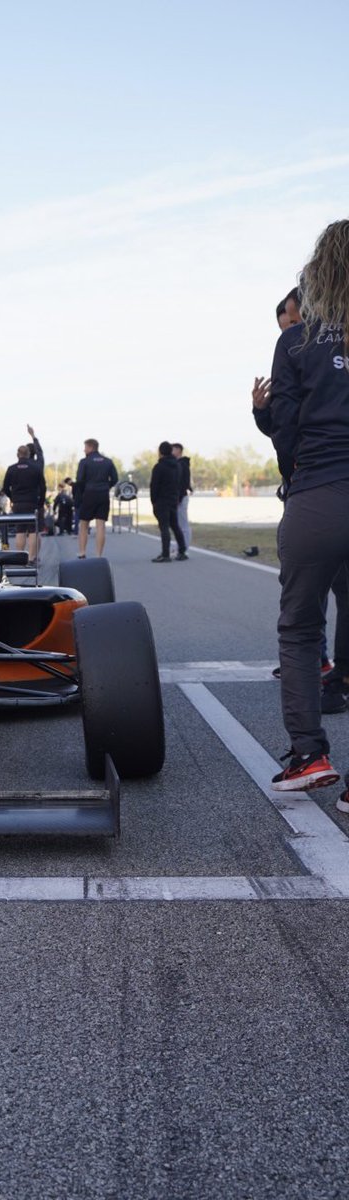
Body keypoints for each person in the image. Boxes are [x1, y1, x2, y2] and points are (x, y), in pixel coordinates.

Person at [266, 220, 349, 797]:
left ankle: (309, 755)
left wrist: (296, 480)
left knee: (299, 628)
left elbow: (284, 427)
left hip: (318, 490)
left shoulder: (295, 340)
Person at [1, 425, 46, 560]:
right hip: (32, 502)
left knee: (20, 530)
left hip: (18, 503)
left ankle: (20, 558)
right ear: (29, 454)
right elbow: (43, 487)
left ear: (18, 454)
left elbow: (5, 487)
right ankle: (32, 558)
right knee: (33, 531)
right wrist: (40, 502)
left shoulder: (12, 469)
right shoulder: (37, 467)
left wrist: (12, 498)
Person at [74, 438, 118, 559]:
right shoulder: (108, 461)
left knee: (83, 524)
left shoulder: (84, 462)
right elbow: (115, 479)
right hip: (103, 494)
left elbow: (79, 480)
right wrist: (106, 486)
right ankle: (98, 555)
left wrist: (81, 494)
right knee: (101, 525)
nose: (84, 450)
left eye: (85, 447)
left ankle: (82, 552)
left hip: (89, 493)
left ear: (90, 447)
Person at [149, 441, 187, 562]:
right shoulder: (177, 466)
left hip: (162, 500)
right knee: (175, 526)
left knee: (164, 527)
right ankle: (182, 550)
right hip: (173, 499)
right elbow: (179, 483)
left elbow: (154, 486)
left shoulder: (159, 467)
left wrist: (153, 500)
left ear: (160, 452)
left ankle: (165, 554)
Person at [171, 442, 193, 548]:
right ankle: (181, 546)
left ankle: (185, 546)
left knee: (183, 524)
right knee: (179, 524)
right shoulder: (178, 464)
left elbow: (183, 482)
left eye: (173, 450)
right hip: (179, 496)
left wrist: (179, 498)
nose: (171, 452)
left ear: (178, 450)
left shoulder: (182, 464)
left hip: (181, 497)